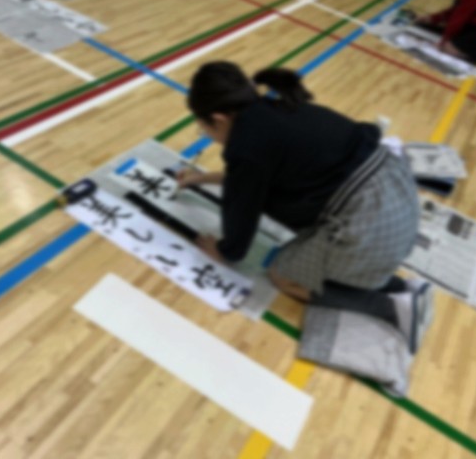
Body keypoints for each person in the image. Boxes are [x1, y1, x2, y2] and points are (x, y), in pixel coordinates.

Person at [179, 63, 434, 395]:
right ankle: (392, 283)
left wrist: (226, 251)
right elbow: (249, 178)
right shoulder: (272, 109)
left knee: (283, 274)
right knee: (301, 235)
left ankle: (389, 307)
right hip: (397, 196)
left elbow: (241, 210)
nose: (206, 134)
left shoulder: (247, 143)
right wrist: (198, 179)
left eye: (203, 128)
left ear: (218, 118)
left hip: (370, 223)